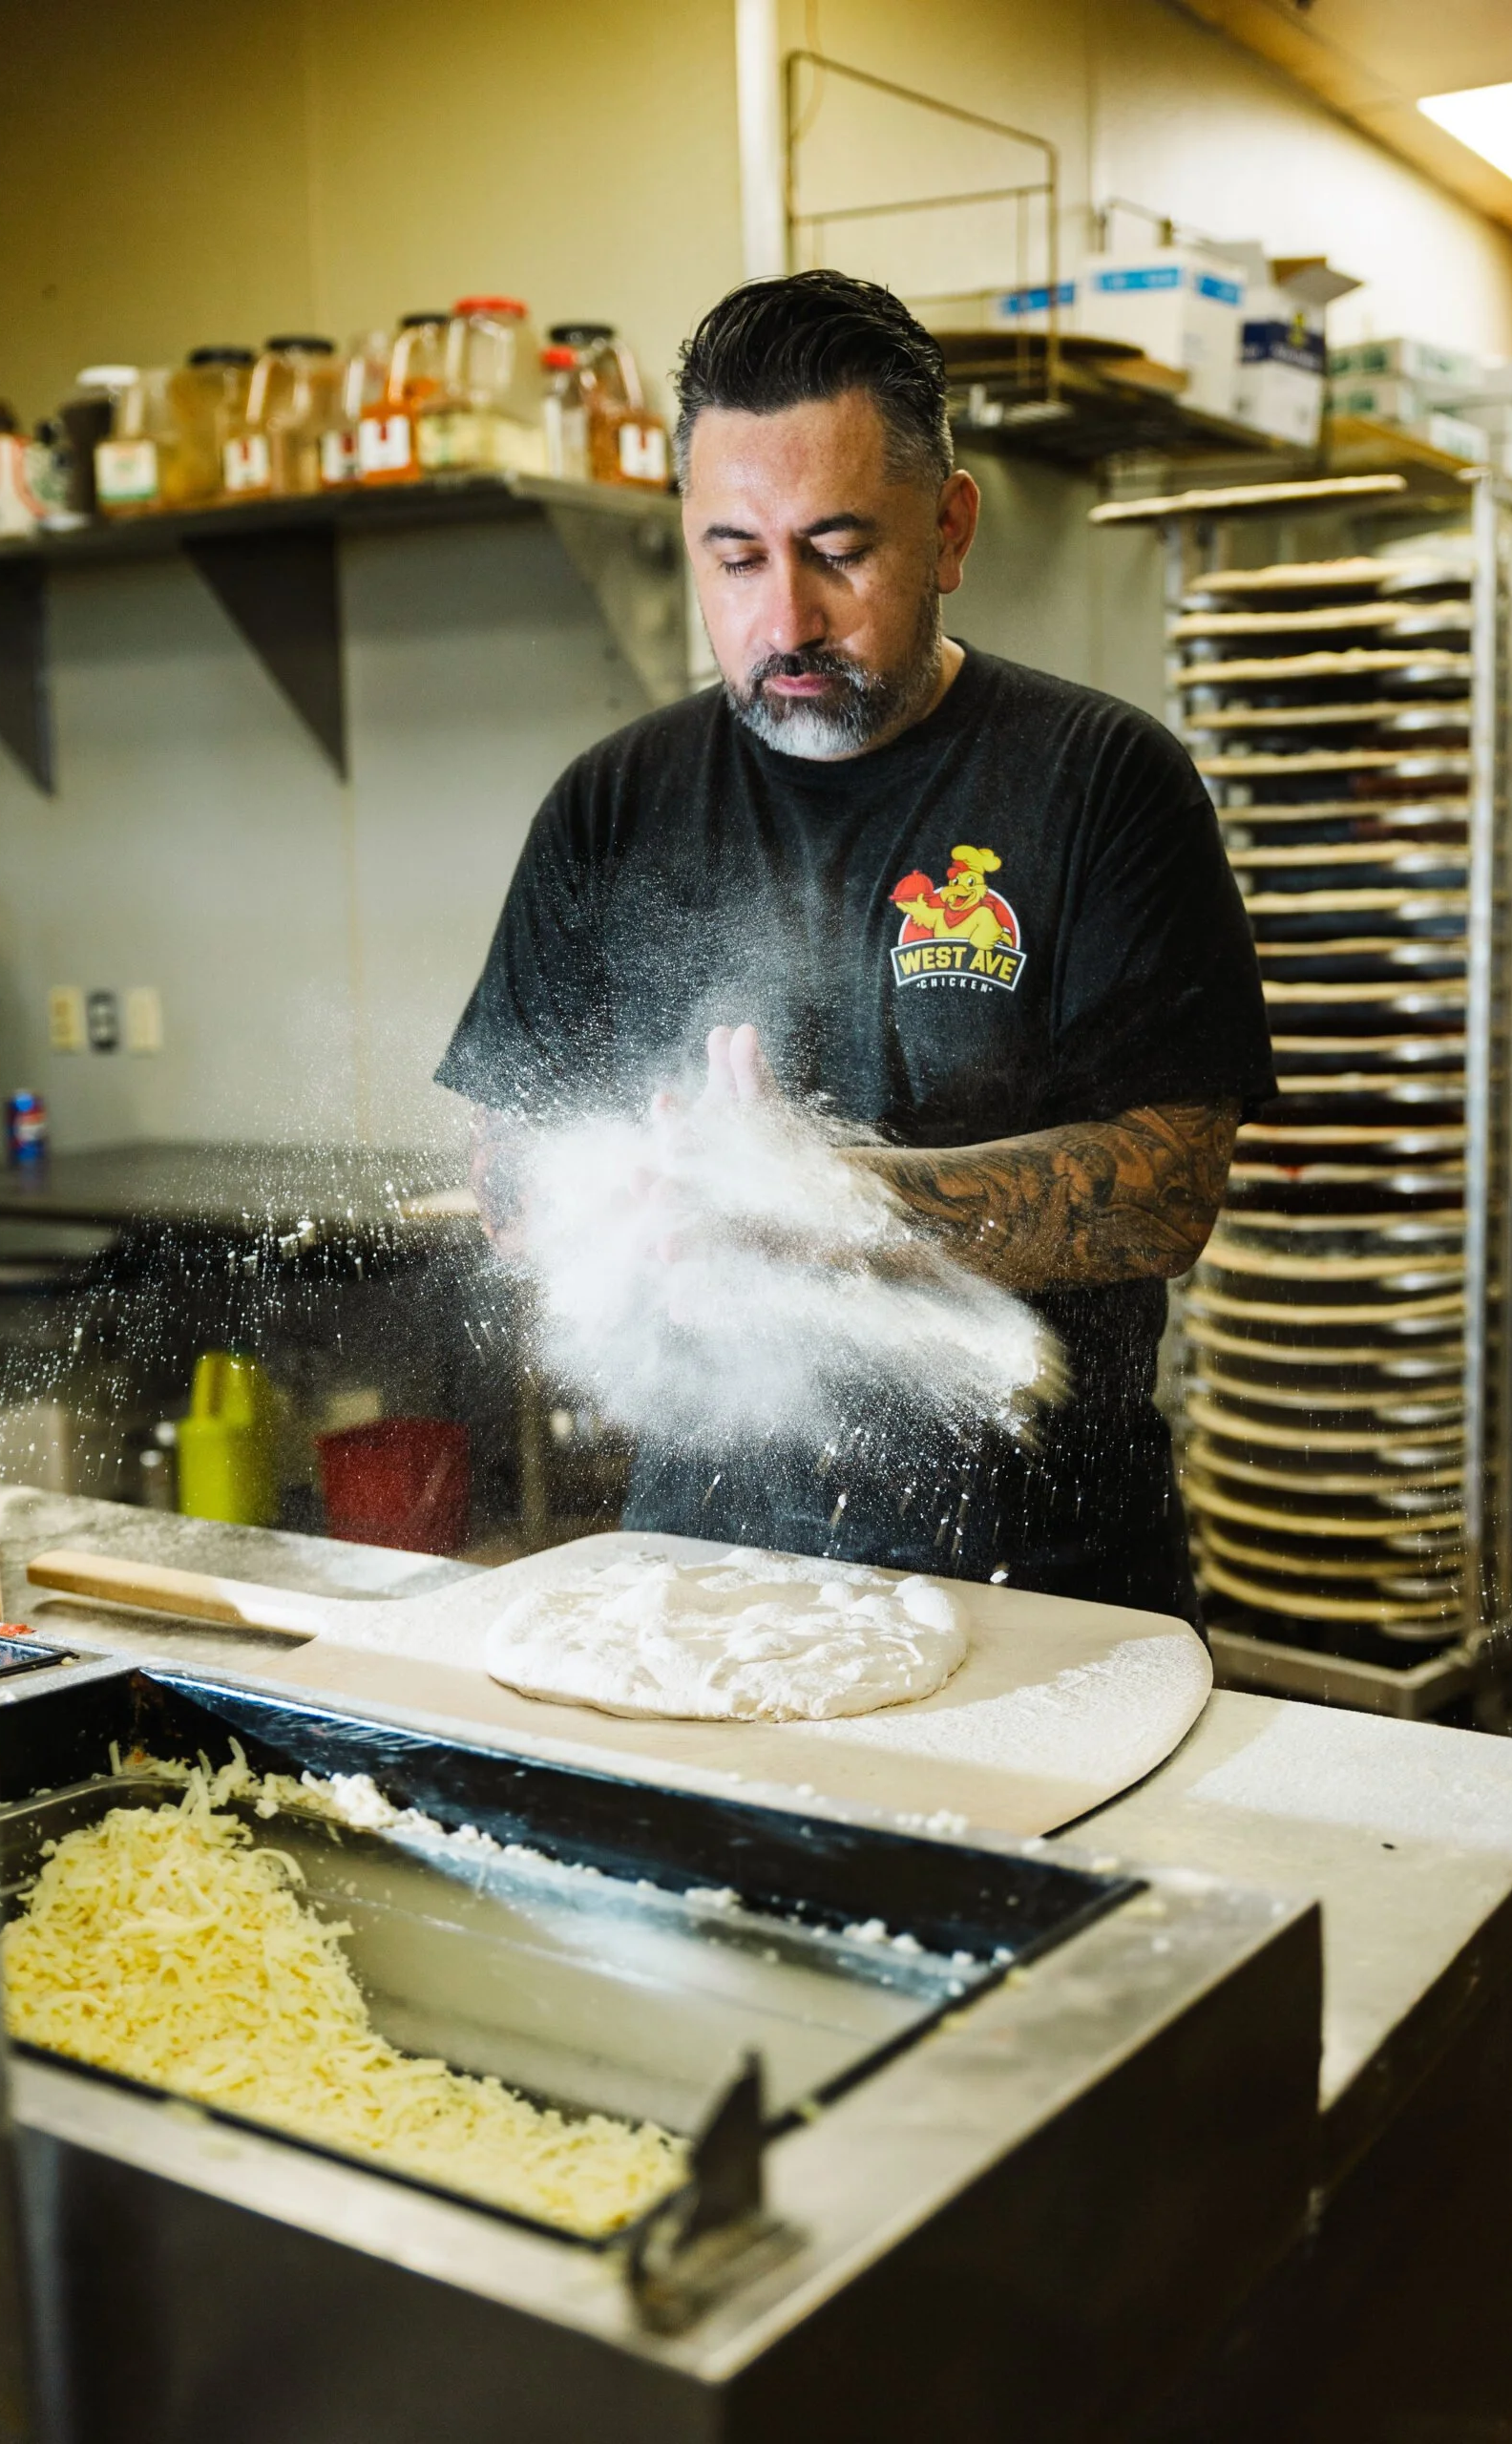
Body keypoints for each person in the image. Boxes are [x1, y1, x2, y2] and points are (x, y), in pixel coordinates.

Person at [437, 269, 1274, 1624]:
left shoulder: (1099, 781)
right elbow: (514, 1164)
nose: (785, 622)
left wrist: (832, 1207)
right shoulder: (609, 806)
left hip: (1046, 1585)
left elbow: (1169, 1185)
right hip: (703, 1575)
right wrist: (619, 1200)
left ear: (948, 530)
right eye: (735, 556)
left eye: (838, 550)